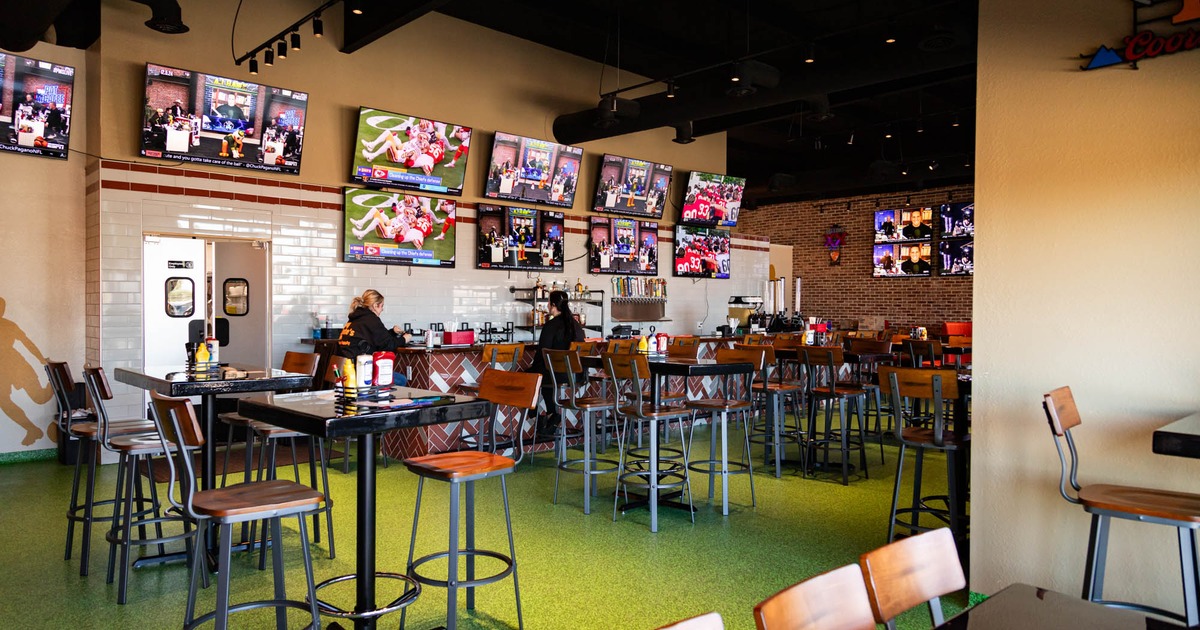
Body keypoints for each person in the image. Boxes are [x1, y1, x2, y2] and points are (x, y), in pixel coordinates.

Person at [527, 290, 585, 423]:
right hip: (577, 375)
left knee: (532, 376)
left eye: (548, 303)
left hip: (556, 375)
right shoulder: (576, 325)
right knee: (544, 376)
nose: (547, 306)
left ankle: (540, 416)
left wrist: (534, 368)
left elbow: (542, 352)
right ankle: (551, 415)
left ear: (553, 305)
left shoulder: (551, 325)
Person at [336, 289, 413, 366]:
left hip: (344, 368)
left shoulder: (357, 318)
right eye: (382, 306)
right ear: (375, 305)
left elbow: (377, 337)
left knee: (399, 378)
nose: (382, 309)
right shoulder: (371, 319)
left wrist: (393, 332)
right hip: (359, 370)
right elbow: (387, 346)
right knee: (401, 378)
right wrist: (404, 339)